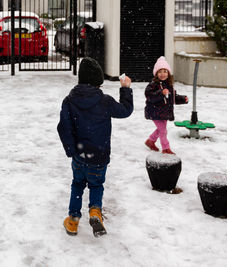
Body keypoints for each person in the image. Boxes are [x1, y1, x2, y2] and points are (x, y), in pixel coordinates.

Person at [57, 57, 133, 237]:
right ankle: (95, 212)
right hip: (99, 155)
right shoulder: (104, 101)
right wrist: (125, 89)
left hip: (79, 155)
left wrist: (71, 150)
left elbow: (64, 127)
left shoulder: (69, 101)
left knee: (77, 184)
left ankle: (73, 220)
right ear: (98, 79)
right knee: (96, 185)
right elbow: (125, 111)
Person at [144, 56, 188, 155]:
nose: (163, 74)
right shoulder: (153, 85)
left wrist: (183, 99)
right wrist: (161, 93)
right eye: (160, 71)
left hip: (164, 112)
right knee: (163, 131)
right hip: (155, 111)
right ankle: (166, 148)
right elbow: (150, 96)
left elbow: (173, 98)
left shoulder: (169, 85)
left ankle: (151, 141)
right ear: (156, 74)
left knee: (161, 129)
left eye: (165, 71)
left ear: (168, 73)